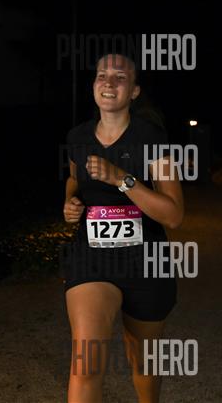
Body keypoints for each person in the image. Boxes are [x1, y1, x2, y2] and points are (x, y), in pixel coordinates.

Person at [62, 53, 184, 403]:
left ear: (134, 91)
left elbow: (173, 215)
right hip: (92, 261)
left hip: (145, 263)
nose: (109, 82)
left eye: (120, 77)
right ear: (93, 85)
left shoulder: (152, 139)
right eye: (102, 75)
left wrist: (121, 179)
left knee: (143, 362)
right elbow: (74, 180)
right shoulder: (77, 137)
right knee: (86, 364)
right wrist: (70, 203)